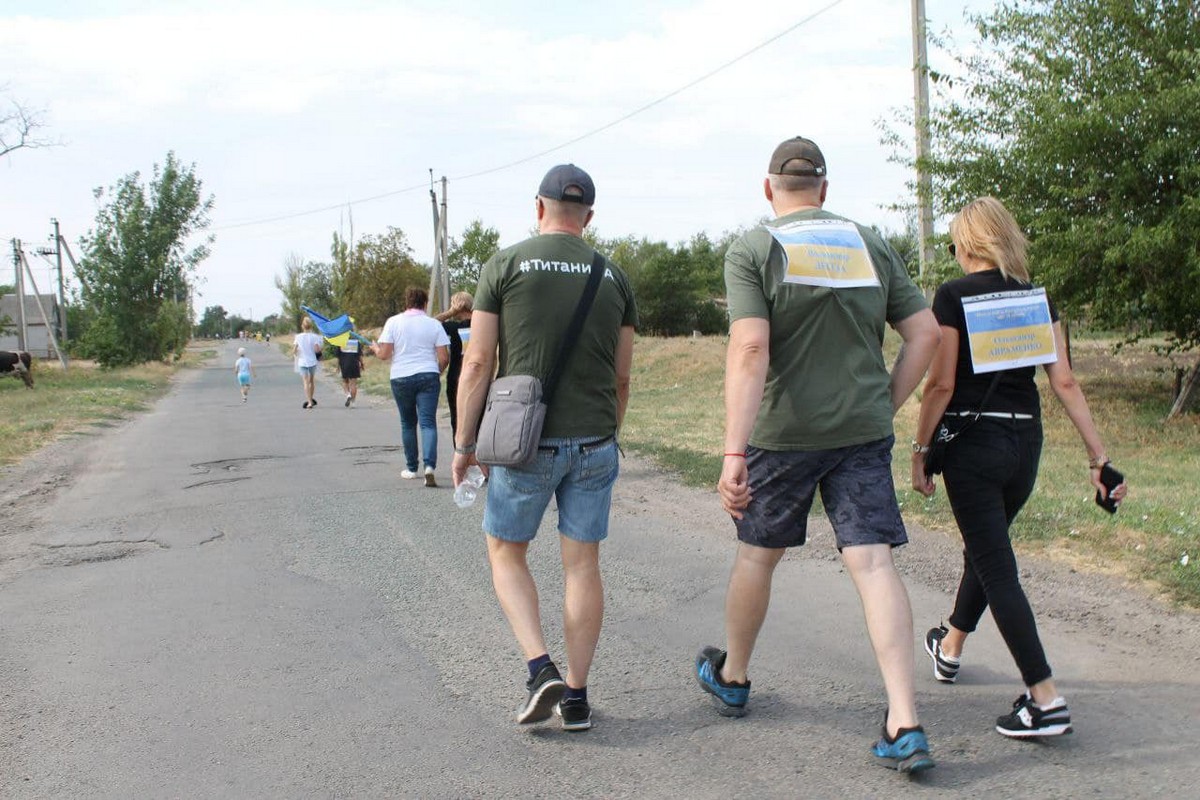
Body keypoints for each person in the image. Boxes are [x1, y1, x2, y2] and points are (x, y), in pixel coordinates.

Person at [697, 137, 942, 773]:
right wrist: (882, 405)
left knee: (759, 553)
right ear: (826, 191)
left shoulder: (755, 248)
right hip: (860, 433)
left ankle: (735, 674)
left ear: (769, 188)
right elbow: (925, 334)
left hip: (783, 434)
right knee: (874, 565)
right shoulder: (868, 242)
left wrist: (732, 451)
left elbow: (751, 349)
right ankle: (904, 721)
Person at [910, 196, 1128, 738]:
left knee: (996, 564)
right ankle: (952, 645)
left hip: (973, 448)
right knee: (988, 553)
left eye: (956, 242)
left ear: (968, 242)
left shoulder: (953, 295)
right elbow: (1065, 382)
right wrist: (1099, 459)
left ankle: (1044, 698)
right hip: (1024, 444)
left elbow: (940, 384)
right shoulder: (1037, 298)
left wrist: (919, 450)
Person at [451, 164, 637, 733]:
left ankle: (539, 670)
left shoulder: (505, 265)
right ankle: (576, 698)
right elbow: (623, 377)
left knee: (505, 552)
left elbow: (478, 361)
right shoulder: (613, 276)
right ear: (588, 217)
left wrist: (464, 442)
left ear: (539, 208)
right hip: (596, 440)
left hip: (523, 443)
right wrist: (607, 431)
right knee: (582, 566)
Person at [372, 287, 450, 486]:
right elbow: (443, 357)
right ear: (424, 303)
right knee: (428, 423)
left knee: (408, 423)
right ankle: (430, 466)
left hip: (401, 376)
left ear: (406, 302)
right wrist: (435, 371)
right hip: (428, 374)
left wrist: (375, 348)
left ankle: (412, 468)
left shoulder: (393, 322)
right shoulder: (433, 324)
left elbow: (384, 354)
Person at [435, 292, 474, 439]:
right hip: (480, 375)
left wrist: (450, 312)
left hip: (456, 377)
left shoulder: (452, 328)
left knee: (457, 418)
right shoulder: (482, 323)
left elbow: (432, 323)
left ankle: (460, 451)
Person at [291, 317, 324, 409]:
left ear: (302, 326)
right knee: (311, 381)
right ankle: (311, 398)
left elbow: (294, 350)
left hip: (302, 361)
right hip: (312, 361)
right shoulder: (315, 337)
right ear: (311, 326)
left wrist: (297, 354)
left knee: (305, 382)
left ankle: (309, 402)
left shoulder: (298, 337)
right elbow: (317, 350)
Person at [333, 337, 366, 408]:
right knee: (353, 384)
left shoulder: (340, 341)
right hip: (354, 364)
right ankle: (353, 402)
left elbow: (338, 357)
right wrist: (362, 364)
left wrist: (337, 367)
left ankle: (348, 395)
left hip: (344, 364)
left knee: (345, 382)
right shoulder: (356, 342)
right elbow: (359, 356)